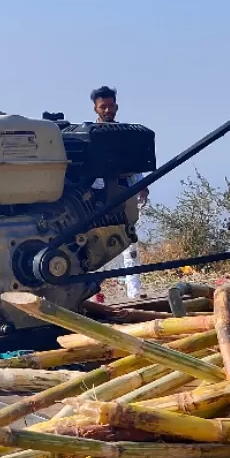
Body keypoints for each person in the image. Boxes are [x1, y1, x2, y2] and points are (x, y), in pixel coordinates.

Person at [87, 86, 144, 299]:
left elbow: (134, 165)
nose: (108, 110)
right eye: (104, 106)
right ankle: (94, 294)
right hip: (99, 197)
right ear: (96, 108)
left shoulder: (125, 133)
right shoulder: (90, 135)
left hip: (125, 192)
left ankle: (134, 291)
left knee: (130, 242)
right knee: (95, 245)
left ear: (116, 106)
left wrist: (141, 186)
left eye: (111, 106)